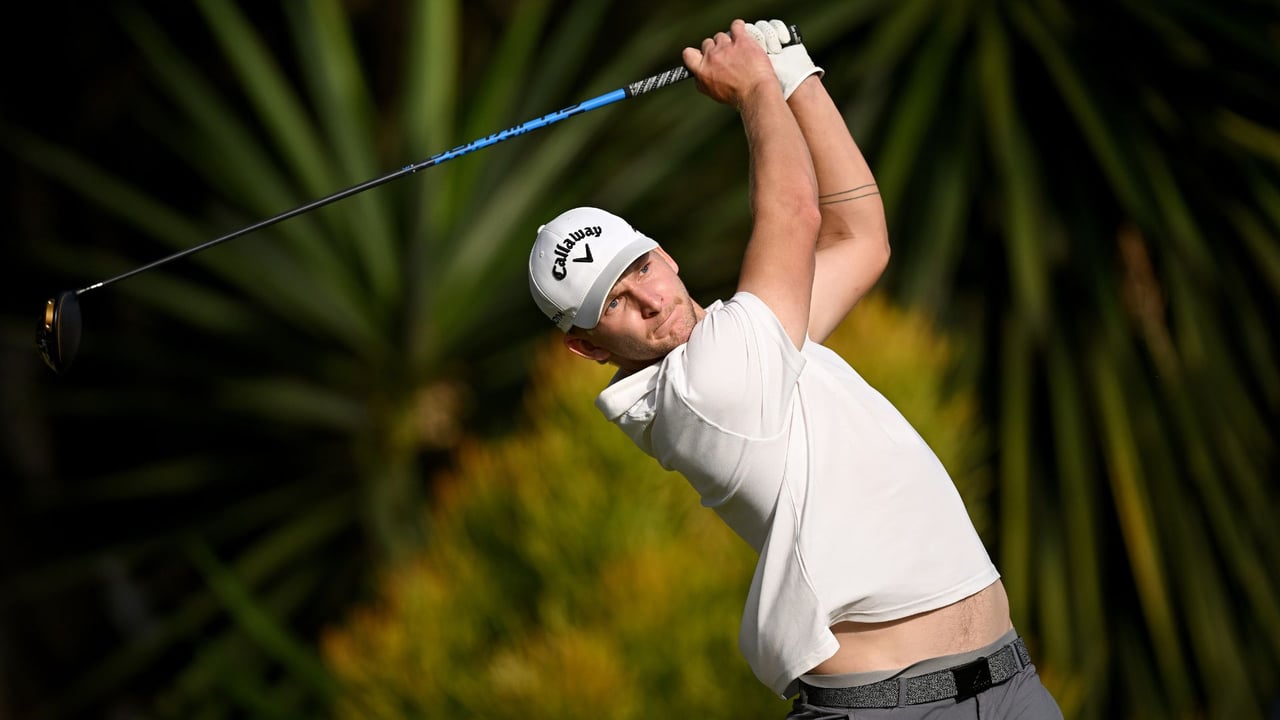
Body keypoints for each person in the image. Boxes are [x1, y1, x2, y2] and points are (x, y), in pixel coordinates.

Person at [526, 18, 1062, 719]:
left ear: (666, 253)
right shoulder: (706, 388)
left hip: (1009, 684)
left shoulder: (747, 338)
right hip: (886, 710)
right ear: (588, 347)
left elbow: (860, 240)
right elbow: (797, 212)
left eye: (642, 266)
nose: (652, 299)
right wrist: (754, 89)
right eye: (616, 303)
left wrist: (794, 74)